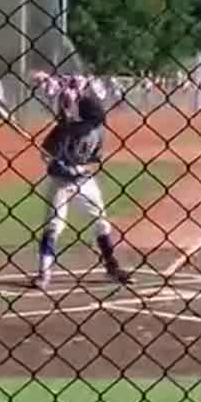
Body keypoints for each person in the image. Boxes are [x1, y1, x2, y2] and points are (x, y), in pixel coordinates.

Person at [34, 94, 130, 290]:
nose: (95, 124)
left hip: (84, 180)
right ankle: (44, 271)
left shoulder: (98, 131)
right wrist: (58, 164)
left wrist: (76, 167)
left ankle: (112, 266)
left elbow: (93, 158)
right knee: (53, 226)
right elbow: (45, 154)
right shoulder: (64, 129)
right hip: (60, 182)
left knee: (101, 222)